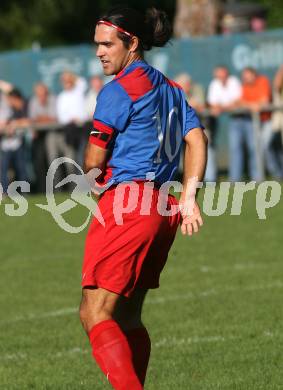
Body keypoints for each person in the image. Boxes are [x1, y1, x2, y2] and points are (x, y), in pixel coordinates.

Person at [79, 6, 207, 390]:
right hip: (163, 208)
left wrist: (91, 183)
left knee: (94, 313)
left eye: (107, 44)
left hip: (129, 206)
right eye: (96, 45)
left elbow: (94, 159)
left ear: (132, 43)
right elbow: (197, 139)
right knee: (128, 318)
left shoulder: (119, 90)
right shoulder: (171, 88)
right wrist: (189, 197)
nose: (100, 52)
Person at [238, 67, 279, 180]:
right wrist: (252, 105)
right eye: (244, 76)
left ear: (253, 74)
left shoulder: (262, 81)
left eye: (247, 75)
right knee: (260, 148)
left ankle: (276, 173)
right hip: (254, 122)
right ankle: (264, 176)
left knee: (264, 147)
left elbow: (264, 100)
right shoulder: (245, 86)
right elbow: (241, 102)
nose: (245, 78)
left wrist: (252, 104)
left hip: (269, 120)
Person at [207, 65, 242, 181]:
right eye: (218, 74)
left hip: (241, 117)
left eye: (222, 73)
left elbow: (238, 101)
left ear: (226, 73)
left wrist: (222, 107)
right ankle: (232, 179)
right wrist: (224, 107)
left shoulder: (234, 81)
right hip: (219, 120)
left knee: (248, 147)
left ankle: (253, 178)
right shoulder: (214, 84)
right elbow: (213, 104)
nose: (220, 76)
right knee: (233, 148)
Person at [28, 82, 57, 192]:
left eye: (43, 94)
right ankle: (42, 189)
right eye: (38, 94)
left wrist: (41, 118)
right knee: (39, 162)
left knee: (52, 161)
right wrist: (44, 118)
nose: (41, 97)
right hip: (38, 136)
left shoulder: (53, 99)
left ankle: (57, 189)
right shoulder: (33, 101)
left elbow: (54, 119)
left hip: (53, 133)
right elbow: (33, 119)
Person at [0, 88, 30, 193]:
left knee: (21, 169)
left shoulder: (21, 108)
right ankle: (4, 192)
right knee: (3, 169)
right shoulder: (6, 109)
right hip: (5, 144)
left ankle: (25, 192)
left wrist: (14, 125)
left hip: (18, 143)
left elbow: (27, 121)